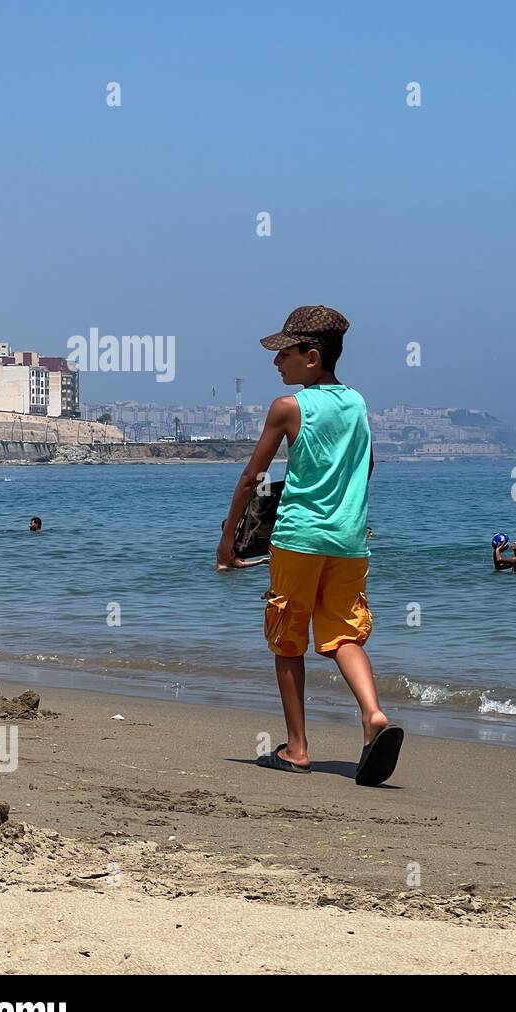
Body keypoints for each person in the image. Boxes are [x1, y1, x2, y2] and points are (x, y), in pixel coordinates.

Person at [216, 305, 403, 787]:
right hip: (350, 541)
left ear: (312, 357)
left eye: (285, 353)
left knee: (287, 639)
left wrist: (227, 541)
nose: (276, 362)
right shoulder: (358, 404)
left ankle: (297, 749)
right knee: (344, 636)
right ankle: (373, 715)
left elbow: (251, 479)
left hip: (298, 538)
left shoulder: (289, 408)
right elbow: (368, 468)